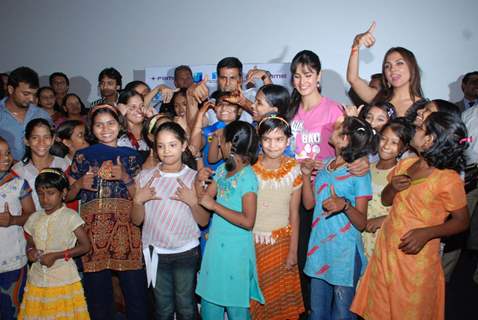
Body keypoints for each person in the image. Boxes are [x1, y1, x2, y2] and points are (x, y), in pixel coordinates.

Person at [351, 112, 470, 320]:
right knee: (378, 309)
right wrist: (392, 187)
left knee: (407, 310)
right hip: (386, 249)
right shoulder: (407, 164)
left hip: (415, 258)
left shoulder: (448, 179)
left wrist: (427, 233)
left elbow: (462, 221)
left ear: (430, 139)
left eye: (421, 127)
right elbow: (387, 200)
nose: (416, 129)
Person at [67, 104, 148, 320]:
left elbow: (140, 196)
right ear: (91, 129)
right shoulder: (82, 156)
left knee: (136, 295)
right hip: (93, 235)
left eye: (110, 123)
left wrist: (125, 177)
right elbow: (67, 196)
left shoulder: (132, 156)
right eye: (99, 125)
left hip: (127, 232)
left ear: (119, 125)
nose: (105, 129)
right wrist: (79, 185)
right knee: (97, 298)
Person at [132, 122, 209, 319]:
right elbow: (136, 220)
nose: (166, 151)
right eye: (161, 145)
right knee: (163, 307)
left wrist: (193, 202)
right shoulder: (145, 177)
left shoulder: (194, 177)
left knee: (186, 305)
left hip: (186, 251)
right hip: (155, 252)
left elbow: (203, 221)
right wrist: (138, 201)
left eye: (172, 145)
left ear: (184, 145)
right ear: (155, 148)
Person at [301, 116, 374, 320]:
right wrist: (306, 175)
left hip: (344, 253)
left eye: (340, 127)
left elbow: (362, 223)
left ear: (345, 139)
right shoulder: (325, 165)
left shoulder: (358, 173)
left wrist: (345, 205)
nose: (334, 127)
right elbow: (309, 205)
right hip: (318, 249)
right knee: (316, 313)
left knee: (342, 314)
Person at [196, 121, 264, 319]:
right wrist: (197, 183)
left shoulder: (248, 177)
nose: (218, 145)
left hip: (236, 254)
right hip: (216, 249)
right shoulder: (222, 171)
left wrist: (215, 205)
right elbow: (204, 203)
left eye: (221, 141)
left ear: (230, 146)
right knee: (210, 306)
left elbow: (248, 221)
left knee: (237, 308)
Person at [250, 115, 304, 320]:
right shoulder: (250, 169)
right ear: (260, 140)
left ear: (288, 141)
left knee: (280, 301)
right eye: (267, 139)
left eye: (279, 139)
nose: (273, 145)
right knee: (256, 298)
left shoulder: (294, 169)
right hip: (254, 242)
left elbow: (294, 215)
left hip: (282, 244)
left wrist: (293, 251)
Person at [18, 168, 90, 319]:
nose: (45, 199)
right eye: (40, 194)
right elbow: (30, 242)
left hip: (63, 280)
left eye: (50, 193)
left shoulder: (70, 217)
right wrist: (31, 251)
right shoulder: (34, 218)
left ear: (63, 193)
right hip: (37, 280)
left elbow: (85, 246)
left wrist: (57, 255)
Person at [347, 22, 425, 117]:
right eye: (387, 66)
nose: (392, 69)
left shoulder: (423, 108)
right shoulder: (378, 98)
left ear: (412, 68)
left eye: (399, 63)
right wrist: (356, 45)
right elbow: (353, 79)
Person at [363, 118, 413, 259]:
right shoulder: (366, 169)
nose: (386, 146)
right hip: (360, 237)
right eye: (383, 139)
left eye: (394, 142)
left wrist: (383, 220)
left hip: (384, 238)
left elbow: (407, 211)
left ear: (403, 148)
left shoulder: (402, 174)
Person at [0, 137, 35, 320]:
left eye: (7, 153)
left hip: (12, 261)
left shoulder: (18, 184)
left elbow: (32, 215)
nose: (5, 158)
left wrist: (12, 220)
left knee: (13, 311)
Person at [12, 119, 69, 210]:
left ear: (53, 139)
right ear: (26, 141)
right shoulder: (17, 171)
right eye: (35, 138)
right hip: (31, 222)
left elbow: (69, 198)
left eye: (46, 137)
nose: (41, 142)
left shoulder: (63, 165)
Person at [0, 67, 51, 161]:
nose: (32, 99)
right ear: (11, 89)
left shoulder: (42, 115)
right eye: (26, 94)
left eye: (34, 94)